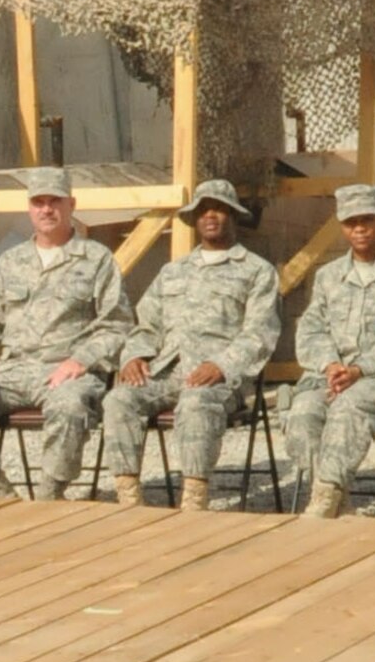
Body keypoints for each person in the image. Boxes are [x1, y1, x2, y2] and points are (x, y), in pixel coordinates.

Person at [0, 168, 132, 500]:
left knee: (69, 407)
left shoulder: (97, 260)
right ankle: (0, 497)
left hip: (66, 373)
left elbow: (118, 325)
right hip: (10, 372)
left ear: (72, 205)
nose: (47, 209)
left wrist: (81, 360)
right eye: (39, 202)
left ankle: (49, 499)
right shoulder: (10, 263)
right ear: (29, 208)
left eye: (55, 201)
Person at [102, 179, 280, 511]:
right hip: (168, 370)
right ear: (194, 220)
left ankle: (194, 499)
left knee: (197, 404)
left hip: (221, 378)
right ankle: (128, 498)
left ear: (233, 215)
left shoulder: (257, 272)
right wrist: (135, 355)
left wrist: (222, 365)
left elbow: (261, 333)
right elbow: (146, 324)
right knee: (120, 399)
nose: (210, 216)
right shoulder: (173, 272)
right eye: (202, 210)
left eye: (219, 209)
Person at [284, 183, 375, 518]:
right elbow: (311, 328)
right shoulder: (328, 276)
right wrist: (330, 365)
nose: (359, 229)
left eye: (367, 220)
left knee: (349, 406)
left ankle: (323, 500)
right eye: (351, 222)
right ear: (342, 225)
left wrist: (359, 370)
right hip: (330, 377)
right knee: (302, 412)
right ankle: (335, 497)